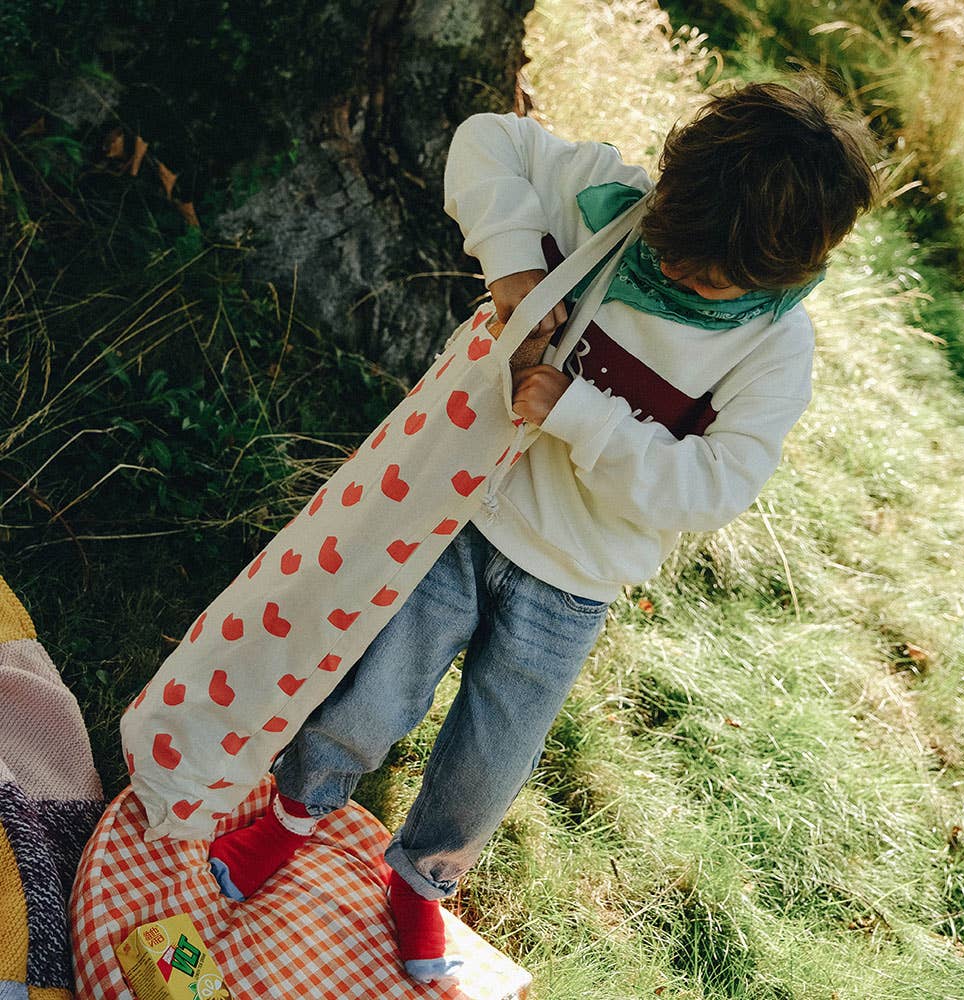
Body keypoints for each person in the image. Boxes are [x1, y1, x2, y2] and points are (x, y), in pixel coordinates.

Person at [206, 78, 879, 984]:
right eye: (675, 250)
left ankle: (418, 883)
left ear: (787, 272)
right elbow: (486, 138)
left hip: (575, 578)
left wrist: (581, 413)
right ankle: (287, 823)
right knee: (370, 697)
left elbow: (712, 488)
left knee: (490, 761)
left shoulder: (772, 347)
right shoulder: (612, 203)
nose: (678, 276)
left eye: (710, 280)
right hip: (467, 512)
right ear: (672, 189)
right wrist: (515, 265)